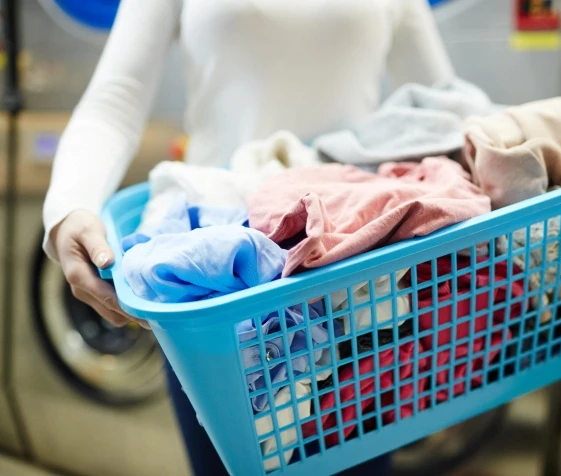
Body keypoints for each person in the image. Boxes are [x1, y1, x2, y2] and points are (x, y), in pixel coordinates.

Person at [42, 0, 454, 474]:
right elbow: (117, 98)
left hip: (358, 277)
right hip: (215, 282)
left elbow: (443, 102)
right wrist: (69, 208)